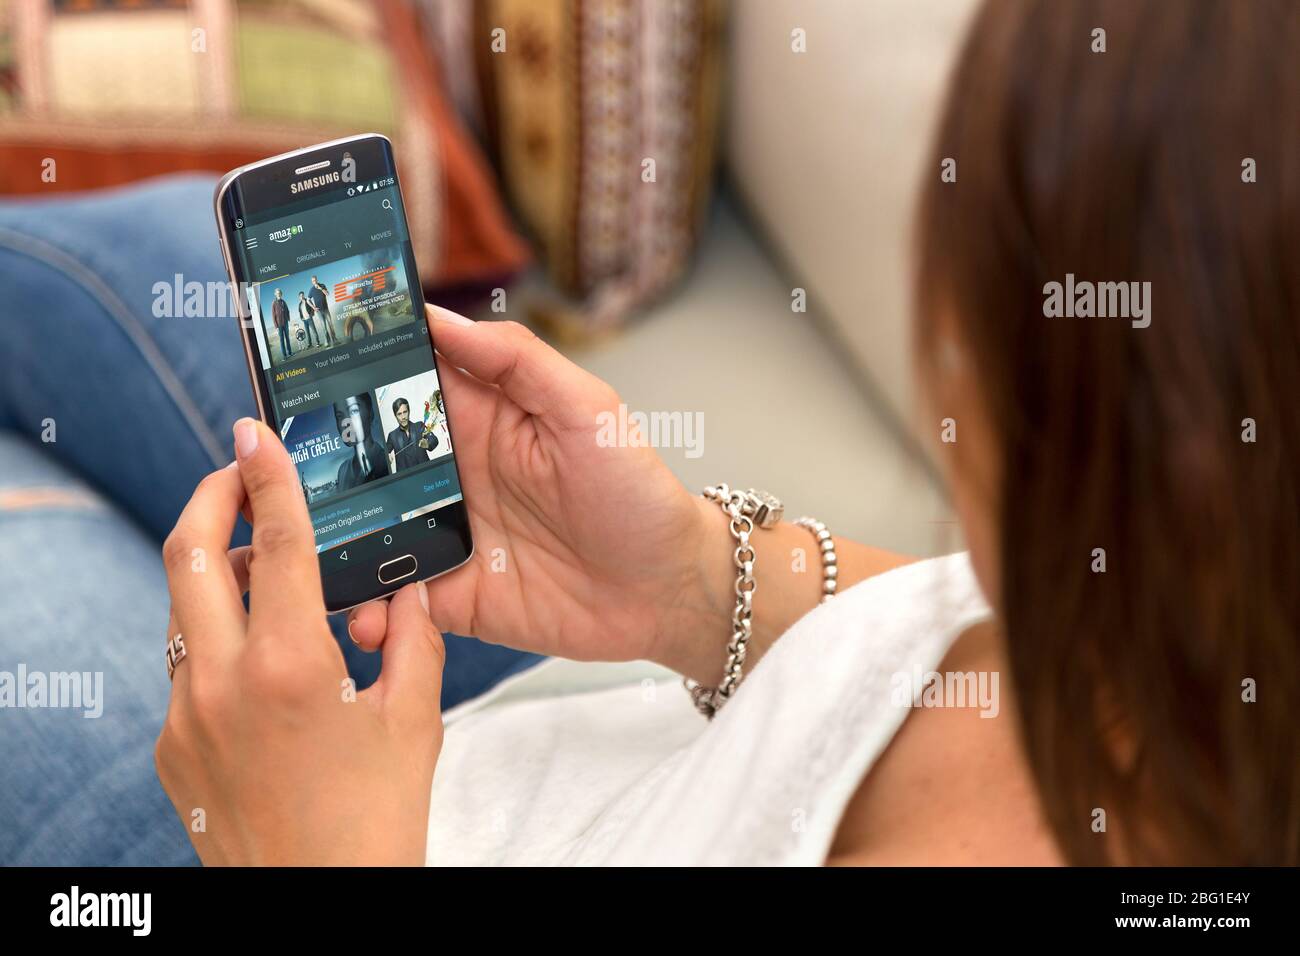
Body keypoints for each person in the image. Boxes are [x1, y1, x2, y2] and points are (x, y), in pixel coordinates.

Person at [2, 0, 1296, 866]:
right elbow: (965, 640)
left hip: (266, 831)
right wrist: (693, 579)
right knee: (158, 247)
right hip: (558, 704)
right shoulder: (1189, 644)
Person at [333, 394, 390, 492]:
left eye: (354, 411)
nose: (346, 423)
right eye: (339, 416)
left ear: (370, 414)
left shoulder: (386, 461)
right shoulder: (342, 470)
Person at [385, 397, 438, 472]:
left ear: (409, 411)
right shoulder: (392, 435)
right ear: (395, 416)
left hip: (426, 473)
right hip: (406, 479)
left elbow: (434, 440)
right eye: (399, 414)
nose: (403, 417)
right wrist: (387, 458)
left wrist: (428, 444)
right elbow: (384, 454)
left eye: (405, 412)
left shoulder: (420, 426)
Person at [309, 276, 336, 346]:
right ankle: (327, 341)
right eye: (313, 281)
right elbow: (308, 300)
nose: (314, 282)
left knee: (330, 325)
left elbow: (327, 294)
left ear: (317, 280)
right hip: (319, 311)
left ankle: (334, 339)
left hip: (326, 309)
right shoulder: (311, 290)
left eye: (315, 280)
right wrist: (313, 307)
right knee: (324, 327)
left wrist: (320, 288)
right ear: (312, 282)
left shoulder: (322, 285)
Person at [270, 288, 291, 359]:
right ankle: (284, 356)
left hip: (285, 323)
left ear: (281, 294)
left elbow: (287, 310)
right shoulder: (274, 303)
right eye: (277, 293)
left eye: (280, 293)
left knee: (287, 338)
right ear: (275, 294)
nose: (279, 294)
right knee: (282, 340)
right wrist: (276, 327)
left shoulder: (283, 302)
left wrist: (288, 319)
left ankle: (290, 353)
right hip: (279, 325)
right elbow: (273, 315)